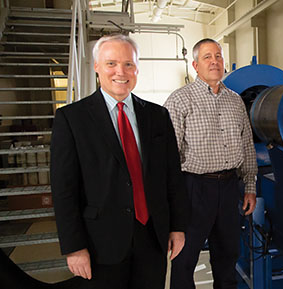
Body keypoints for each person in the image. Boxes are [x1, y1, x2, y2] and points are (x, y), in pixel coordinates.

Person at [50, 34, 186, 289]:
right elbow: (63, 190)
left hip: (152, 237)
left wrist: (177, 227)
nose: (120, 72)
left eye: (128, 64)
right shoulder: (72, 119)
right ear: (97, 67)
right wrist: (74, 247)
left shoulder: (158, 116)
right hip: (100, 243)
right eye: (111, 63)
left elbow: (172, 176)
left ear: (137, 69)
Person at [164, 38, 257, 289]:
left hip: (229, 188)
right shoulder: (179, 101)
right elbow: (167, 156)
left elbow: (247, 145)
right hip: (194, 189)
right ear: (195, 64)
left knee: (228, 257)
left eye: (218, 56)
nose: (214, 61)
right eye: (207, 57)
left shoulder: (235, 101)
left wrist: (250, 186)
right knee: (184, 259)